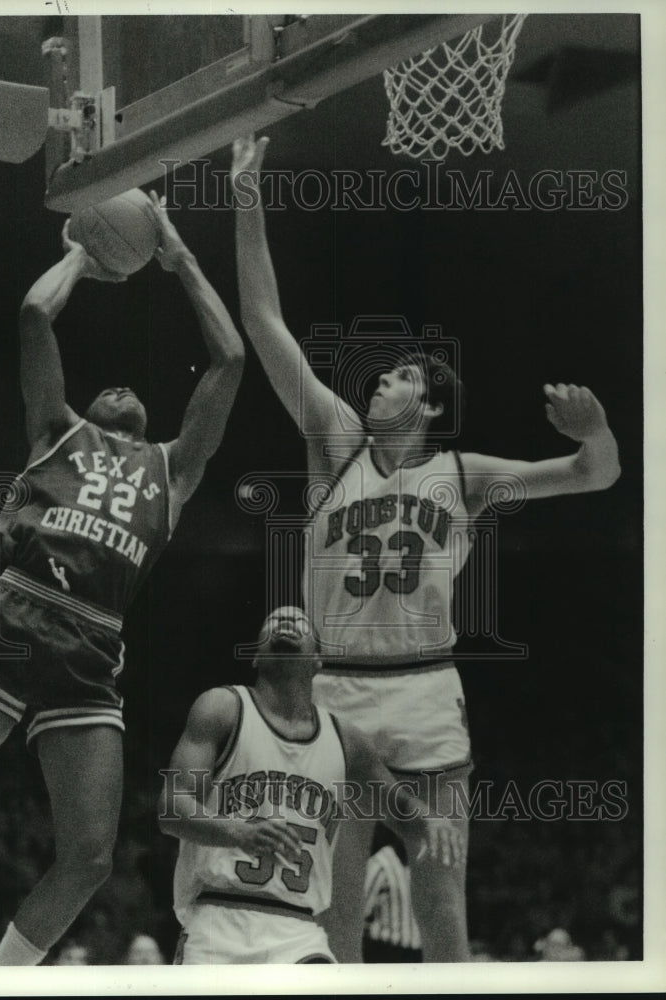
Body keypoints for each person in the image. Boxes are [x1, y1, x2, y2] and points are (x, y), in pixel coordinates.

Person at [231, 134, 621, 962]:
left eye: (401, 377)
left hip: (424, 691)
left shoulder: (463, 473)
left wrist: (597, 432)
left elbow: (595, 477)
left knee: (439, 890)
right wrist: (245, 197)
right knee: (333, 902)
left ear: (431, 403)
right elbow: (263, 321)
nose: (379, 382)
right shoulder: (334, 443)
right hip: (334, 691)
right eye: (378, 377)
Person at [0, 191, 245, 966]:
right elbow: (34, 314)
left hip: (90, 654)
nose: (121, 387)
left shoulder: (173, 469)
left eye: (134, 392)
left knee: (91, 856)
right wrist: (83, 258)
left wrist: (180, 257)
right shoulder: (55, 431)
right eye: (109, 388)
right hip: (16, 621)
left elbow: (229, 360)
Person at [158, 605, 464, 965]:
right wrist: (238, 832)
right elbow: (171, 810)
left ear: (318, 660)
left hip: (299, 932)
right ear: (256, 656)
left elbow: (402, 812)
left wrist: (429, 820)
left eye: (299, 623)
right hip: (217, 918)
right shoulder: (222, 708)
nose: (286, 621)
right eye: (273, 621)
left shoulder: (346, 739)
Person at [362, 826, 422, 963]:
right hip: (386, 951)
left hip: (416, 954)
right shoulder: (381, 863)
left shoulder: (424, 865)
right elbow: (359, 913)